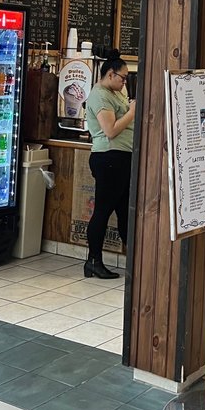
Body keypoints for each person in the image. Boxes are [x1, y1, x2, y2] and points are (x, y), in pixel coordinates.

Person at [84, 51, 136, 279]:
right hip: (109, 158)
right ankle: (93, 261)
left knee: (125, 211)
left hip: (120, 158)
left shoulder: (115, 93)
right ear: (110, 74)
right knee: (103, 211)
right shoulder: (100, 95)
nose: (125, 82)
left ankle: (134, 261)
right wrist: (132, 112)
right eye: (123, 77)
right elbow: (111, 130)